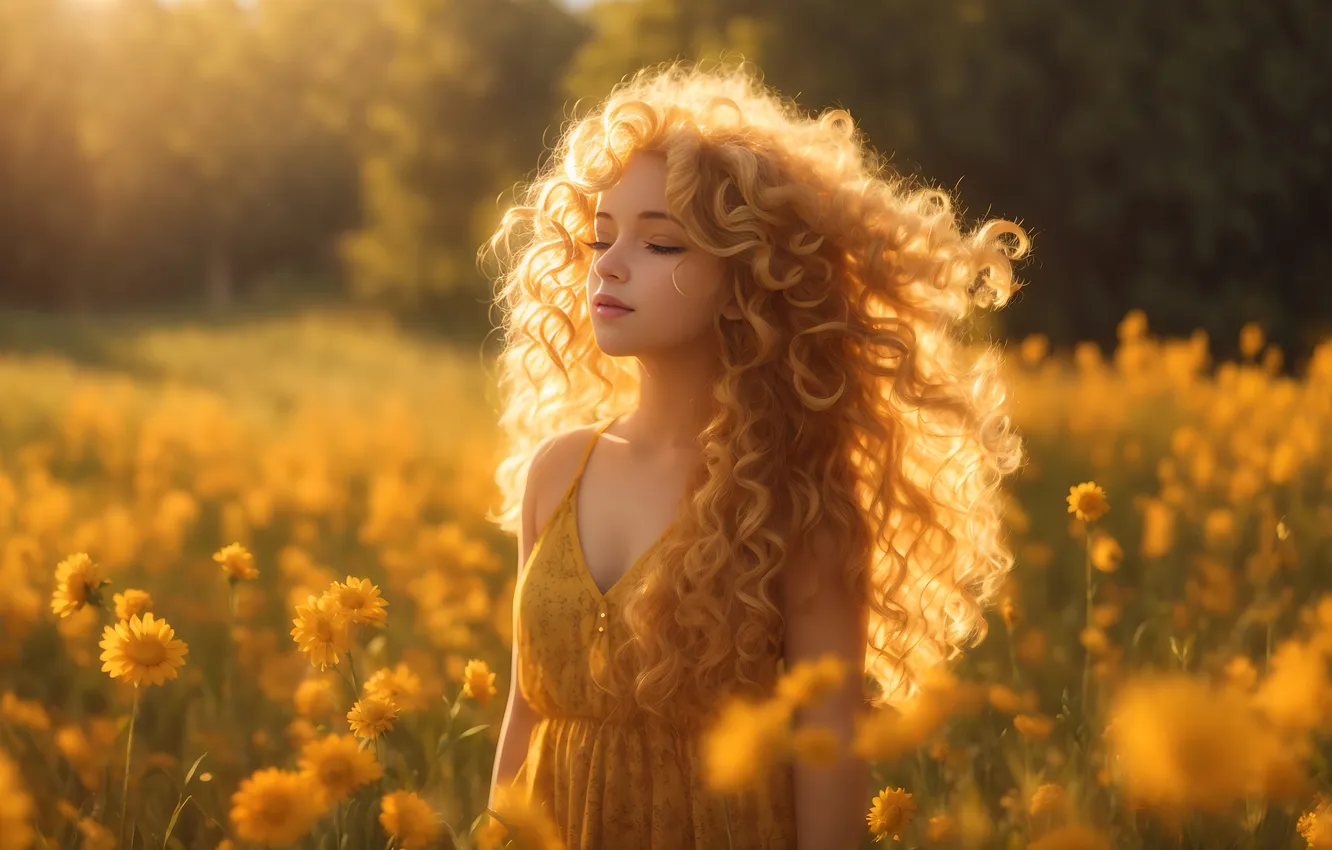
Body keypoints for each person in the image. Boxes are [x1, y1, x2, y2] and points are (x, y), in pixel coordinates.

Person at [479, 59, 1030, 850]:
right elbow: (526, 708)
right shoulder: (557, 472)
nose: (609, 262)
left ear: (750, 276)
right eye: (601, 236)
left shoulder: (798, 502)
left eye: (661, 242)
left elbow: (830, 754)